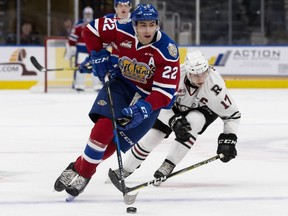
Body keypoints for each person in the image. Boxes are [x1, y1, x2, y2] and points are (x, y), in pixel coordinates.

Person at [54, 3, 180, 198]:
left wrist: (145, 109)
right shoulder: (121, 27)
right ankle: (86, 174)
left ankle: (78, 166)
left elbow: (165, 93)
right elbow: (91, 31)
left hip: (149, 99)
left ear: (157, 24)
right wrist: (97, 54)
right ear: (134, 24)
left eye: (152, 25)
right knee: (104, 128)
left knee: (116, 144)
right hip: (121, 86)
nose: (147, 30)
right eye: (142, 25)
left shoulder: (168, 50)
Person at [111, 50, 241, 182]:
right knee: (154, 136)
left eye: (204, 73)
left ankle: (168, 164)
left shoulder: (215, 86)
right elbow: (156, 102)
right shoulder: (174, 76)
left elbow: (233, 115)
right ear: (188, 72)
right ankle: (126, 169)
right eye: (196, 75)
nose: (201, 79)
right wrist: (172, 119)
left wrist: (228, 138)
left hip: (202, 110)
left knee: (193, 122)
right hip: (171, 107)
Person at [64, 6, 101, 91]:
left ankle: (97, 85)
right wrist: (71, 48)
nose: (88, 16)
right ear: (83, 14)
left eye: (89, 14)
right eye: (86, 14)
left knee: (96, 67)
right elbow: (72, 39)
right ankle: (79, 85)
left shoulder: (96, 24)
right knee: (80, 67)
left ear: (92, 14)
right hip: (82, 49)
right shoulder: (78, 25)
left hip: (93, 50)